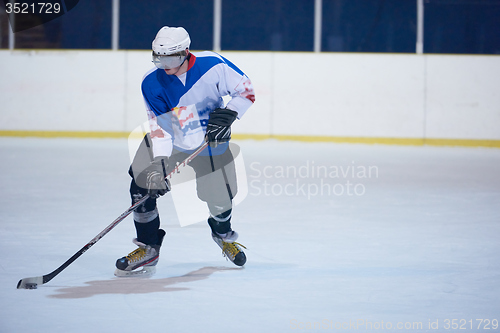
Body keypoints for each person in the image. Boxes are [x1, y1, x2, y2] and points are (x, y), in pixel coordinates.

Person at [114, 26, 255, 277]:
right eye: (159, 58)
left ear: (186, 52)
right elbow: (159, 126)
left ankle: (223, 234)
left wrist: (230, 113)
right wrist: (158, 164)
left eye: (170, 58)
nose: (164, 64)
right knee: (141, 187)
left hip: (210, 142)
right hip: (171, 139)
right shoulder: (151, 82)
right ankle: (148, 247)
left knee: (221, 199)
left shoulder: (213, 65)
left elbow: (246, 90)